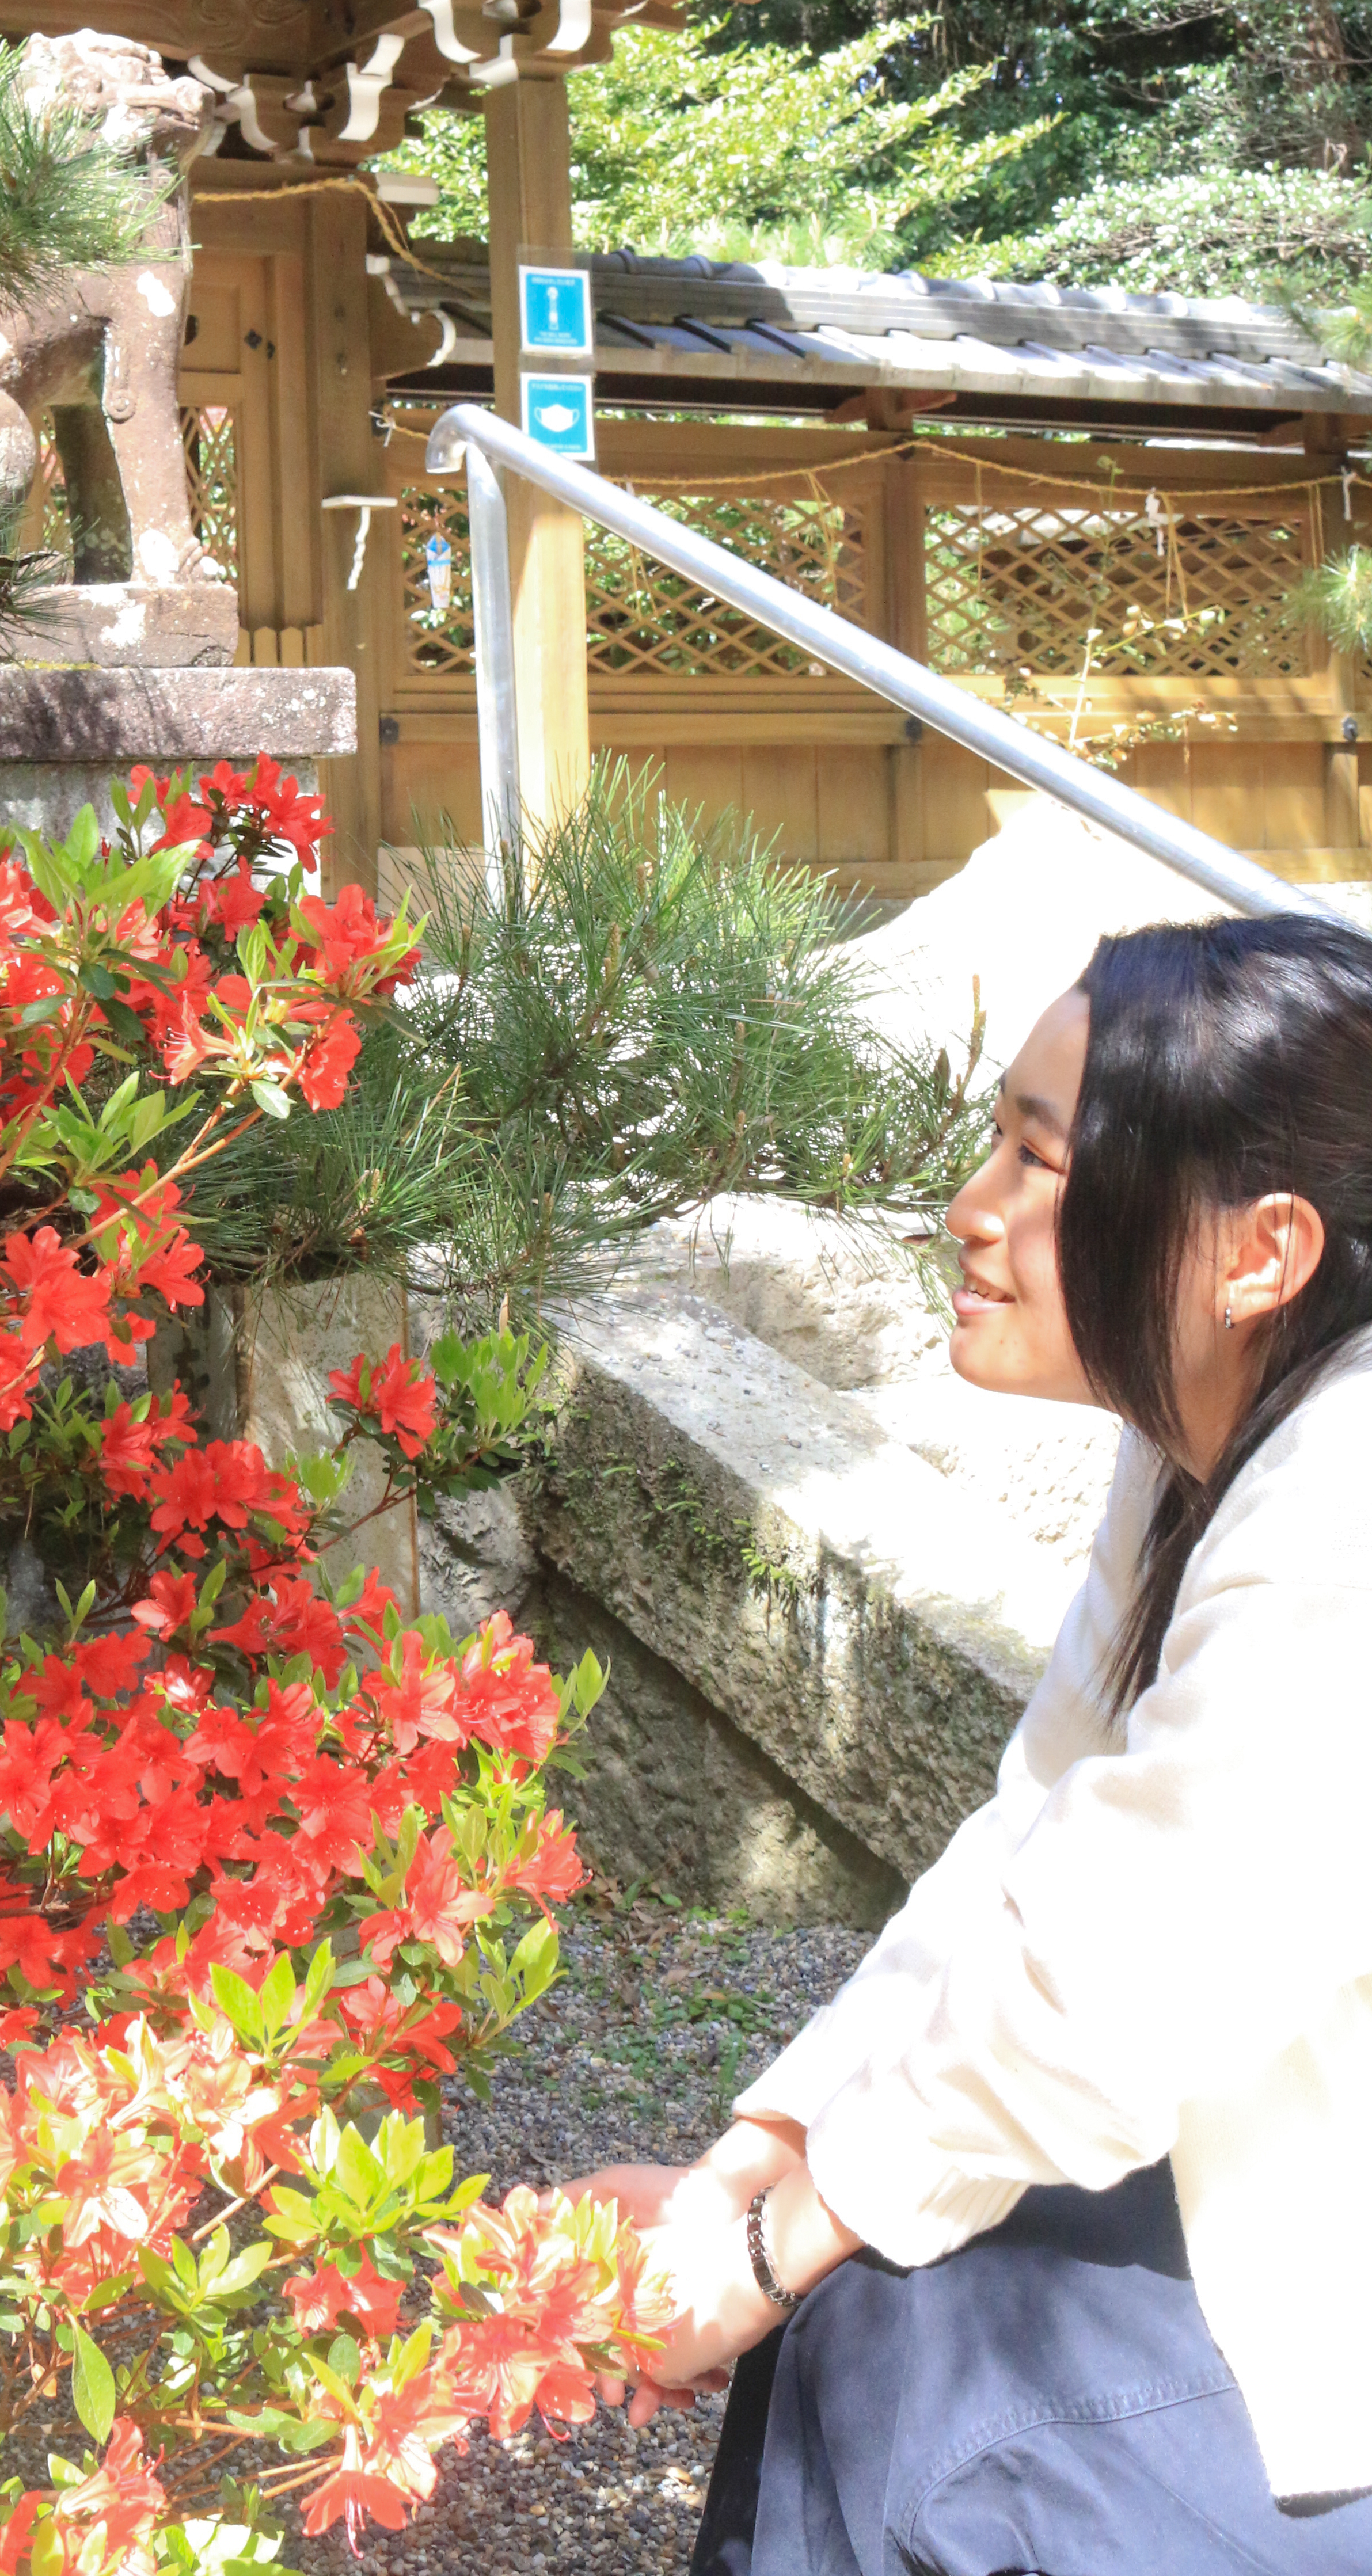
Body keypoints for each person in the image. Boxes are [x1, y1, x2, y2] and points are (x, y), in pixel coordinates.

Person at [576, 913, 1372, 2573]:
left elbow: (1105, 2001)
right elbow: (1039, 1838)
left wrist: (765, 2264)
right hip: (1283, 2162)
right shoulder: (1203, 1427)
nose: (971, 1209)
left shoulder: (1344, 1510)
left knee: (894, 2348)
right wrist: (758, 2168)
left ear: (1262, 1252)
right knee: (867, 2273)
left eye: (1040, 1161)